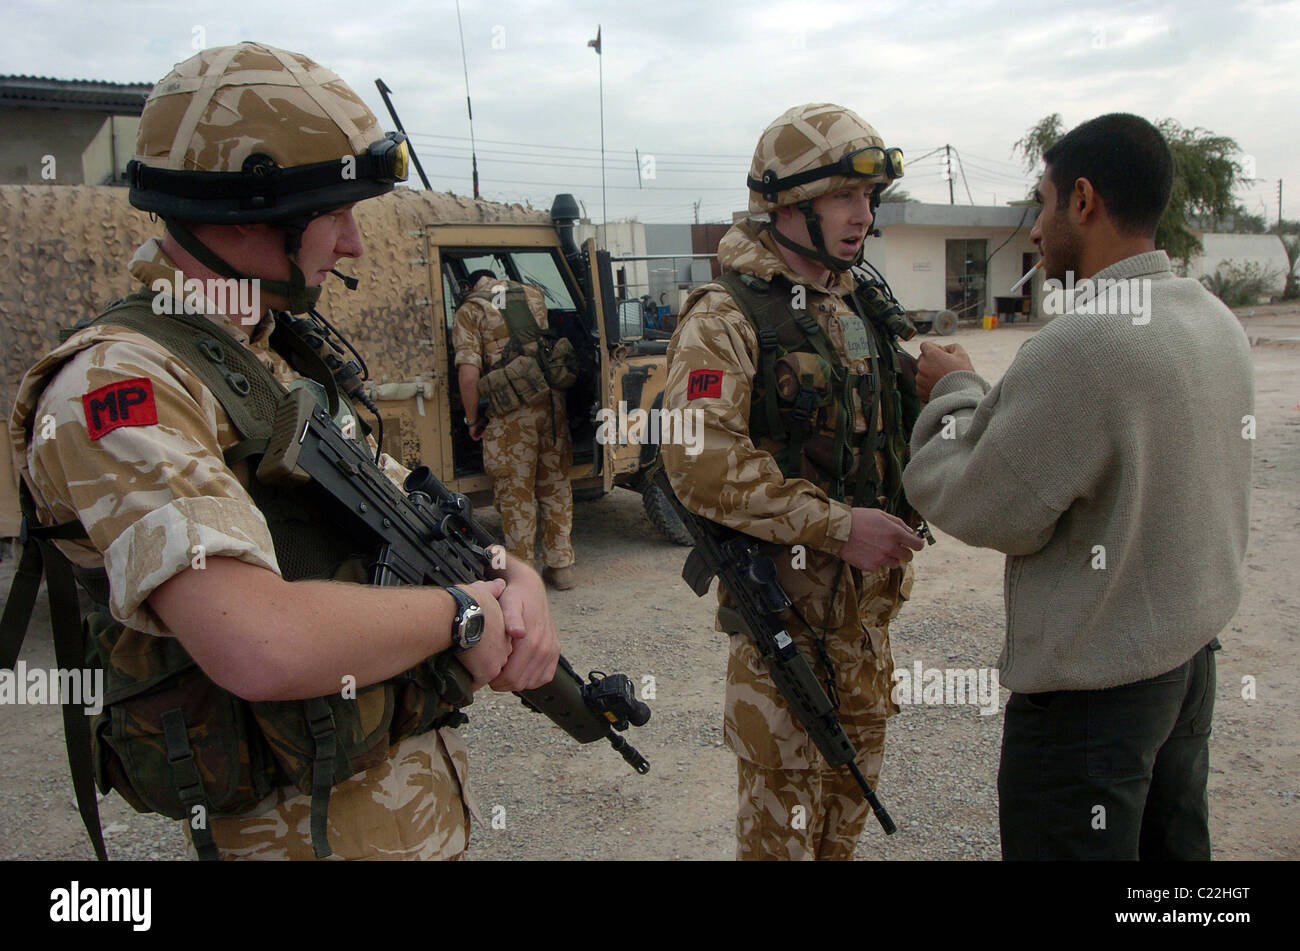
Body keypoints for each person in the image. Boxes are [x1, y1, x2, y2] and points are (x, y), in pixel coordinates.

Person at [7, 41, 560, 861]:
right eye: (333, 214)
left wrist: (512, 571)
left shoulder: (265, 352)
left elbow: (391, 493)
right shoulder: (119, 385)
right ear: (245, 212)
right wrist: (463, 614)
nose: (352, 245)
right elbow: (257, 641)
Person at [903, 113, 1253, 860]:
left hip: (1096, 707)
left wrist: (956, 389)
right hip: (1186, 670)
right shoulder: (1213, 320)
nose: (1033, 231)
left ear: (1083, 201)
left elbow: (980, 500)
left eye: (1043, 203)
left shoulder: (1084, 343)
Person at [660, 103, 927, 860]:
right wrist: (840, 525)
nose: (863, 216)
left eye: (869, 199)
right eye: (845, 197)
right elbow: (698, 461)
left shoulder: (855, 306)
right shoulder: (727, 317)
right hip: (786, 639)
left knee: (839, 844)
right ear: (787, 204)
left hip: (863, 639)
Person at [453, 269, 576, 589]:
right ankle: (561, 568)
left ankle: (525, 576)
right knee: (556, 486)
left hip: (510, 419)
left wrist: (471, 420)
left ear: (472, 285)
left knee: (515, 495)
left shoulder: (470, 310)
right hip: (551, 407)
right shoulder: (533, 295)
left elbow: (468, 376)